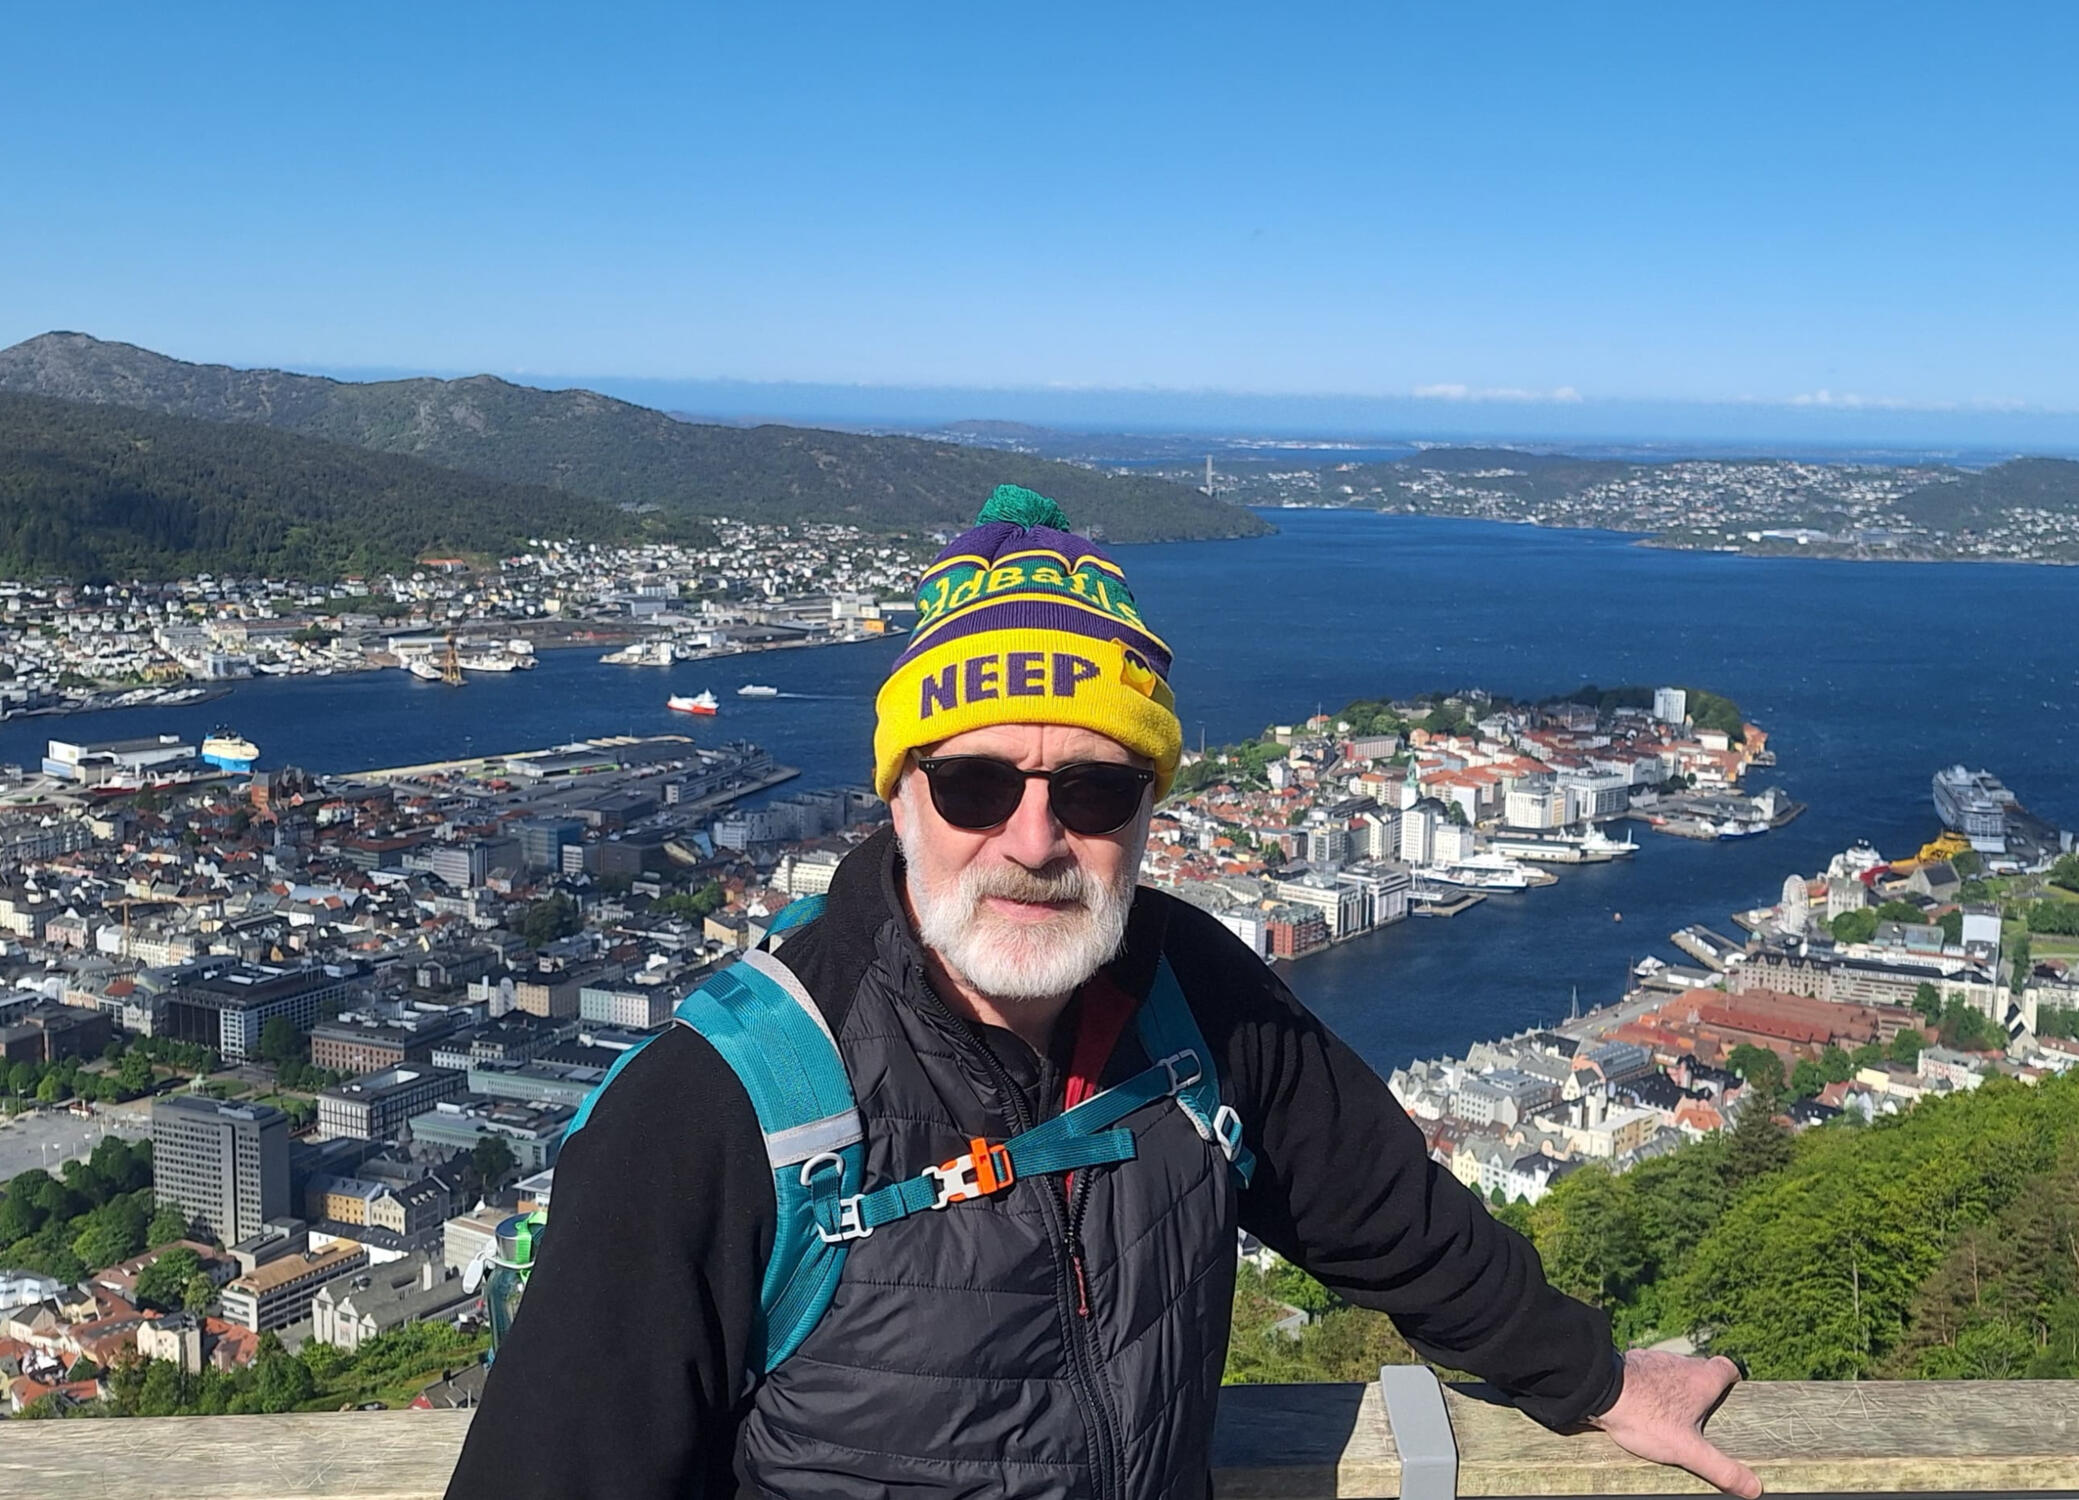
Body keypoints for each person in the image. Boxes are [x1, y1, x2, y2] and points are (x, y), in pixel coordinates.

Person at [446, 485, 1760, 1500]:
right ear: (900, 799)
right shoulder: (722, 1105)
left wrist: (1591, 1380)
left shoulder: (1196, 998)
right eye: (973, 785)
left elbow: (1381, 1207)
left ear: (1146, 813)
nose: (1032, 839)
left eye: (1092, 788)